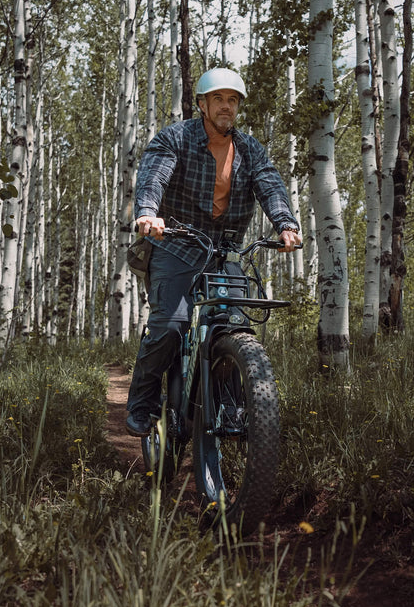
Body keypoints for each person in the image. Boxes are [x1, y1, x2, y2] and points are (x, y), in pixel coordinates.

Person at [125, 68, 302, 437]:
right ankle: (143, 402)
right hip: (176, 244)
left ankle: (230, 406)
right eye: (218, 99)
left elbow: (269, 184)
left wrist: (285, 224)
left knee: (235, 327)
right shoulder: (176, 138)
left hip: (225, 251)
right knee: (171, 325)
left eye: (232, 100)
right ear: (203, 104)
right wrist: (147, 213)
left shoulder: (251, 150)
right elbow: (154, 175)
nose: (226, 107)